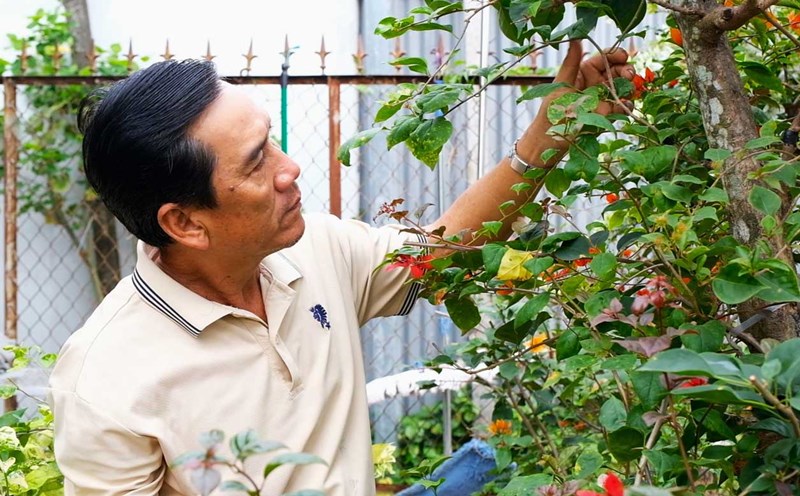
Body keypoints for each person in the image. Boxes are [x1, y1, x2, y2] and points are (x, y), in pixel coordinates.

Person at [48, 41, 633, 495]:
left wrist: (547, 135)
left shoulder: (316, 249)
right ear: (185, 223)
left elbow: (442, 256)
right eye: (256, 163)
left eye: (272, 142)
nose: (290, 168)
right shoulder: (106, 379)